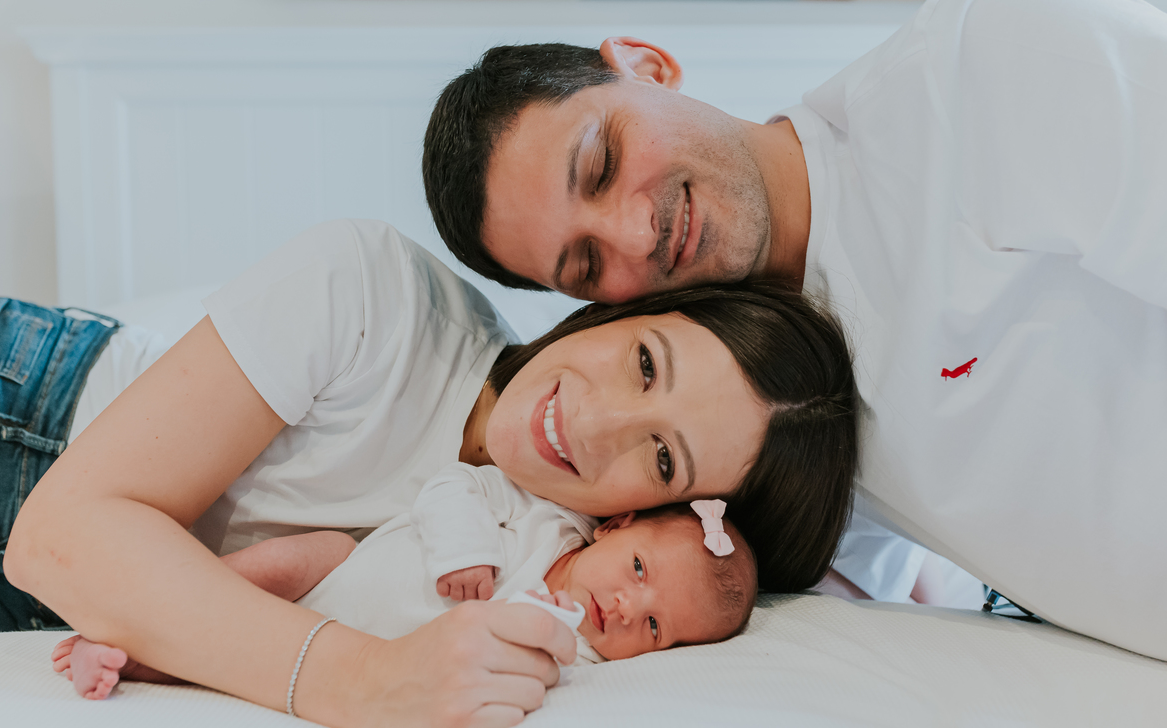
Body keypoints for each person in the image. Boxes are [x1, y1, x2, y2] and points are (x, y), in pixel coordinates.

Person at [421, 0, 1167, 658]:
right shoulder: (744, 427)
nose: (636, 230)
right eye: (586, 263)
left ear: (645, 66)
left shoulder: (974, 71)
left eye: (605, 161)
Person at [0, 218, 858, 728]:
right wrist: (363, 683)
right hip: (18, 422)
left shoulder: (556, 566)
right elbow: (60, 535)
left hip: (58, 607)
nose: (591, 421)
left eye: (663, 457)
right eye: (641, 361)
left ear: (645, 513)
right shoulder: (371, 292)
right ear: (629, 308)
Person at [53, 462, 757, 700]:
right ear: (615, 523)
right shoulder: (545, 515)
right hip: (342, 572)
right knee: (291, 559)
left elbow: (530, 670)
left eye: (657, 627)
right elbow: (452, 483)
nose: (630, 607)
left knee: (230, 661)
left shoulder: (584, 653)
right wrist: (466, 547)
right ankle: (135, 614)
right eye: (639, 569)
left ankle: (133, 660)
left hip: (335, 646)